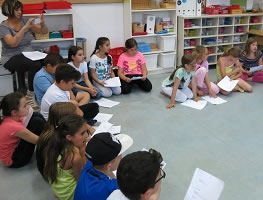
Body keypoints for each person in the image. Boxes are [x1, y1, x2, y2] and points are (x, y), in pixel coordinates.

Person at [0, 0, 48, 106]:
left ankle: (39, 90)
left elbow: (43, 31)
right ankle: (30, 95)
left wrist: (42, 23)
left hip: (28, 54)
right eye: (16, 9)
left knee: (48, 60)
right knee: (34, 64)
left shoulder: (23, 21)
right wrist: (25, 27)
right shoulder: (3, 27)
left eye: (20, 9)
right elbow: (13, 43)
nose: (20, 12)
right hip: (11, 57)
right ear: (8, 10)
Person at [36, 102, 95, 177]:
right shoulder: (58, 140)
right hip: (53, 175)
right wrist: (82, 149)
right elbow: (81, 176)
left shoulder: (54, 129)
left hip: (50, 171)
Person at [74, 132, 133, 200]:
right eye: (120, 157)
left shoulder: (91, 163)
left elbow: (109, 172)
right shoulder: (112, 188)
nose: (122, 158)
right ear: (109, 166)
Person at [43, 114, 90, 200]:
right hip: (70, 194)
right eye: (82, 133)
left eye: (87, 131)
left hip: (59, 189)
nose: (86, 135)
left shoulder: (56, 144)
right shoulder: (75, 157)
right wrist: (83, 150)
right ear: (69, 137)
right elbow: (81, 180)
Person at [0, 92, 45, 168]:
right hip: (15, 160)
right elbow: (39, 140)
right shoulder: (13, 126)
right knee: (36, 121)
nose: (28, 107)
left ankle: (53, 138)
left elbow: (30, 112)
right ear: (14, 112)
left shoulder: (12, 117)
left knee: (36, 116)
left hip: (15, 150)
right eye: (25, 106)